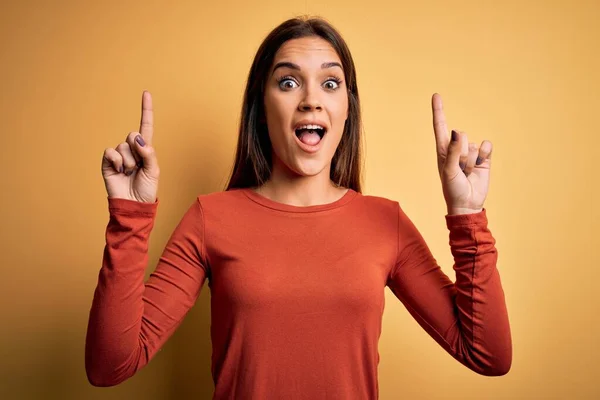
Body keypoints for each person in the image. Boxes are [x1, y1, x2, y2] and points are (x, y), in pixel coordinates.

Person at [86, 16, 512, 399]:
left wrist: (467, 215)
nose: (311, 99)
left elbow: (488, 355)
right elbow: (109, 367)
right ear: (261, 107)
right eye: (288, 82)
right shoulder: (209, 218)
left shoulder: (386, 223)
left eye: (330, 83)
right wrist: (130, 216)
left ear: (347, 108)